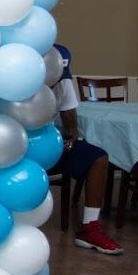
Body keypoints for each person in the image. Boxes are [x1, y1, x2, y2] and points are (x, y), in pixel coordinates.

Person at [51, 44, 124, 254]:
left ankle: (89, 228)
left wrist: (70, 140)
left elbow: (71, 126)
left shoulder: (63, 81)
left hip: (50, 145)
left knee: (98, 158)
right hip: (17, 150)